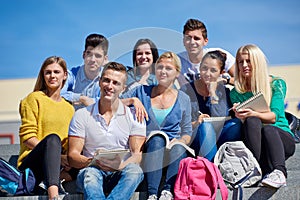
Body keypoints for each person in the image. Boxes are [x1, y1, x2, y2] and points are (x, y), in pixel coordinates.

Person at [67, 62, 146, 200]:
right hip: (92, 170)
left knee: (135, 171)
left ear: (123, 88)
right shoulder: (82, 115)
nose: (110, 86)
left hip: (121, 171)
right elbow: (72, 156)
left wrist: (120, 165)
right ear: (99, 82)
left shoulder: (134, 116)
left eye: (116, 83)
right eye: (106, 80)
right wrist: (92, 161)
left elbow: (137, 155)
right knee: (89, 175)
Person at [121, 52, 193, 200]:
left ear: (177, 72)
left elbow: (187, 131)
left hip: (172, 148)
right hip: (149, 145)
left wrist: (181, 141)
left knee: (179, 147)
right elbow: (112, 104)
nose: (163, 71)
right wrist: (132, 100)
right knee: (157, 139)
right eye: (160, 67)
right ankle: (152, 194)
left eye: (168, 68)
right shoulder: (141, 91)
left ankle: (167, 191)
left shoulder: (184, 98)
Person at [230, 44, 295, 188]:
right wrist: (240, 116)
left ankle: (279, 172)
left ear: (257, 62)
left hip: (281, 137)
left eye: (248, 61)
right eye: (241, 62)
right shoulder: (235, 93)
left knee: (268, 129)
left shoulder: (276, 84)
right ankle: (259, 170)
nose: (244, 65)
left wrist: (254, 113)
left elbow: (274, 117)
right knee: (251, 121)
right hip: (258, 143)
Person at [18, 56, 75, 200]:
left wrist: (64, 158)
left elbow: (68, 142)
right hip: (32, 163)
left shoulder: (69, 108)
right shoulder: (33, 99)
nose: (52, 76)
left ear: (65, 75)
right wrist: (54, 154)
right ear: (43, 75)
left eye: (56, 72)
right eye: (48, 72)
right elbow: (28, 137)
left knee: (85, 158)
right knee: (53, 139)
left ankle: (50, 180)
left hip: (57, 162)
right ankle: (53, 196)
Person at [181, 50, 241, 161]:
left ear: (221, 73)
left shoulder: (225, 92)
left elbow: (220, 118)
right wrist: (197, 122)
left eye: (213, 70)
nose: (207, 74)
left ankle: (224, 160)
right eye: (204, 68)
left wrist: (213, 94)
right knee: (206, 126)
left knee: (236, 124)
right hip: (195, 137)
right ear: (199, 68)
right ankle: (211, 168)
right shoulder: (186, 90)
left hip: (220, 137)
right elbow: (180, 122)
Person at [177, 18, 235, 86]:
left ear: (205, 41)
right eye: (188, 38)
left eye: (197, 38)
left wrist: (226, 80)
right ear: (183, 41)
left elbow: (242, 80)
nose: (192, 42)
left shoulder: (219, 55)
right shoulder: (177, 61)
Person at [61, 33, 109, 110]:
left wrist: (92, 101)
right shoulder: (72, 75)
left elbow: (110, 101)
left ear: (105, 59)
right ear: (84, 55)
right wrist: (81, 98)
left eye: (98, 56)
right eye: (89, 54)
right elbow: (58, 93)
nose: (93, 60)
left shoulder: (108, 79)